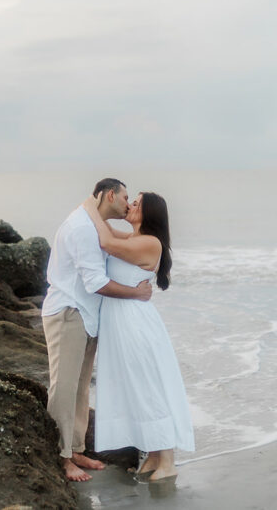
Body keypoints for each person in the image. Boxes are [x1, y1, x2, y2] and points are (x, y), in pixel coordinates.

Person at [42, 178, 155, 482]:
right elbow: (95, 282)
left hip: (87, 314)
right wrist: (137, 294)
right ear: (109, 195)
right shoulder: (82, 228)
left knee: (80, 386)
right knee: (63, 387)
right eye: (125, 198)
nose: (129, 204)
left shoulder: (94, 223)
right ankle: (62, 457)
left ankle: (75, 448)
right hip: (69, 312)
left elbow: (121, 243)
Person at [81, 190, 195, 482]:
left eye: (136, 203)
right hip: (120, 322)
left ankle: (167, 459)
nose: (130, 205)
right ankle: (154, 454)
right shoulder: (133, 238)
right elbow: (105, 230)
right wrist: (97, 203)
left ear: (149, 213)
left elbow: (105, 240)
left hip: (135, 323)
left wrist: (88, 206)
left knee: (148, 387)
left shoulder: (149, 242)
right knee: (134, 387)